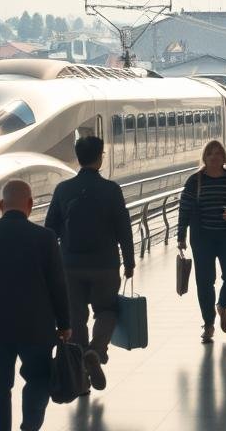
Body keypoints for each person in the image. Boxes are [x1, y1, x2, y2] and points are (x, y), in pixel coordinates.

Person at [0, 180, 70, 431]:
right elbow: (57, 286)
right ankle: (29, 427)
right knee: (38, 380)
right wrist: (64, 324)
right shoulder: (45, 238)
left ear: (1, 205)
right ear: (30, 205)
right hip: (37, 327)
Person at [44, 135, 135, 392]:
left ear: (78, 157)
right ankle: (96, 351)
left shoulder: (63, 190)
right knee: (107, 310)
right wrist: (129, 261)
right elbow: (123, 229)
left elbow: (51, 230)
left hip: (70, 265)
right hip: (104, 264)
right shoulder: (111, 190)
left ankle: (82, 378)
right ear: (100, 156)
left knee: (75, 317)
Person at [177, 140, 226, 341]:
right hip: (203, 240)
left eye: (218, 153)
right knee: (205, 282)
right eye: (210, 154)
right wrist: (181, 235)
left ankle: (222, 305)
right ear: (205, 158)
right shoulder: (195, 180)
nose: (214, 157)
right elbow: (185, 208)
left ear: (224, 157)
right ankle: (208, 324)